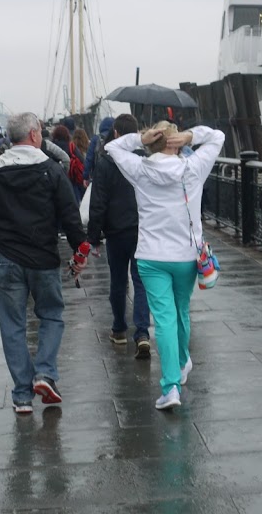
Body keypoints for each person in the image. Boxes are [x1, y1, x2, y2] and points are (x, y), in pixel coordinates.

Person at [0, 112, 90, 414]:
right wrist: (80, 249)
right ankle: (45, 373)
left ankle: (22, 394)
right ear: (35, 135)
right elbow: (70, 214)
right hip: (43, 258)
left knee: (12, 326)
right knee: (51, 315)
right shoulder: (51, 170)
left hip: (9, 259)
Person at [106, 121, 225, 410]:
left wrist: (138, 138)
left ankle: (171, 386)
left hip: (151, 256)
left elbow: (111, 147)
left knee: (164, 318)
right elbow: (218, 137)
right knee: (181, 310)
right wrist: (192, 136)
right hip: (186, 255)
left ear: (152, 142)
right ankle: (182, 363)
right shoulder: (193, 168)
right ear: (175, 142)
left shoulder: (139, 169)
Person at [86, 114, 151, 358]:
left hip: (116, 230)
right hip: (142, 228)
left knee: (118, 281)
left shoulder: (105, 162)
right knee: (141, 280)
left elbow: (98, 202)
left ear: (115, 134)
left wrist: (93, 237)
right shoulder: (144, 159)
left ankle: (119, 329)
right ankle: (143, 332)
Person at [84, 117, 115, 183]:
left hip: (97, 176)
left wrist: (85, 176)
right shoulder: (116, 138)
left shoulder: (95, 139)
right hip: (114, 176)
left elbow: (89, 158)